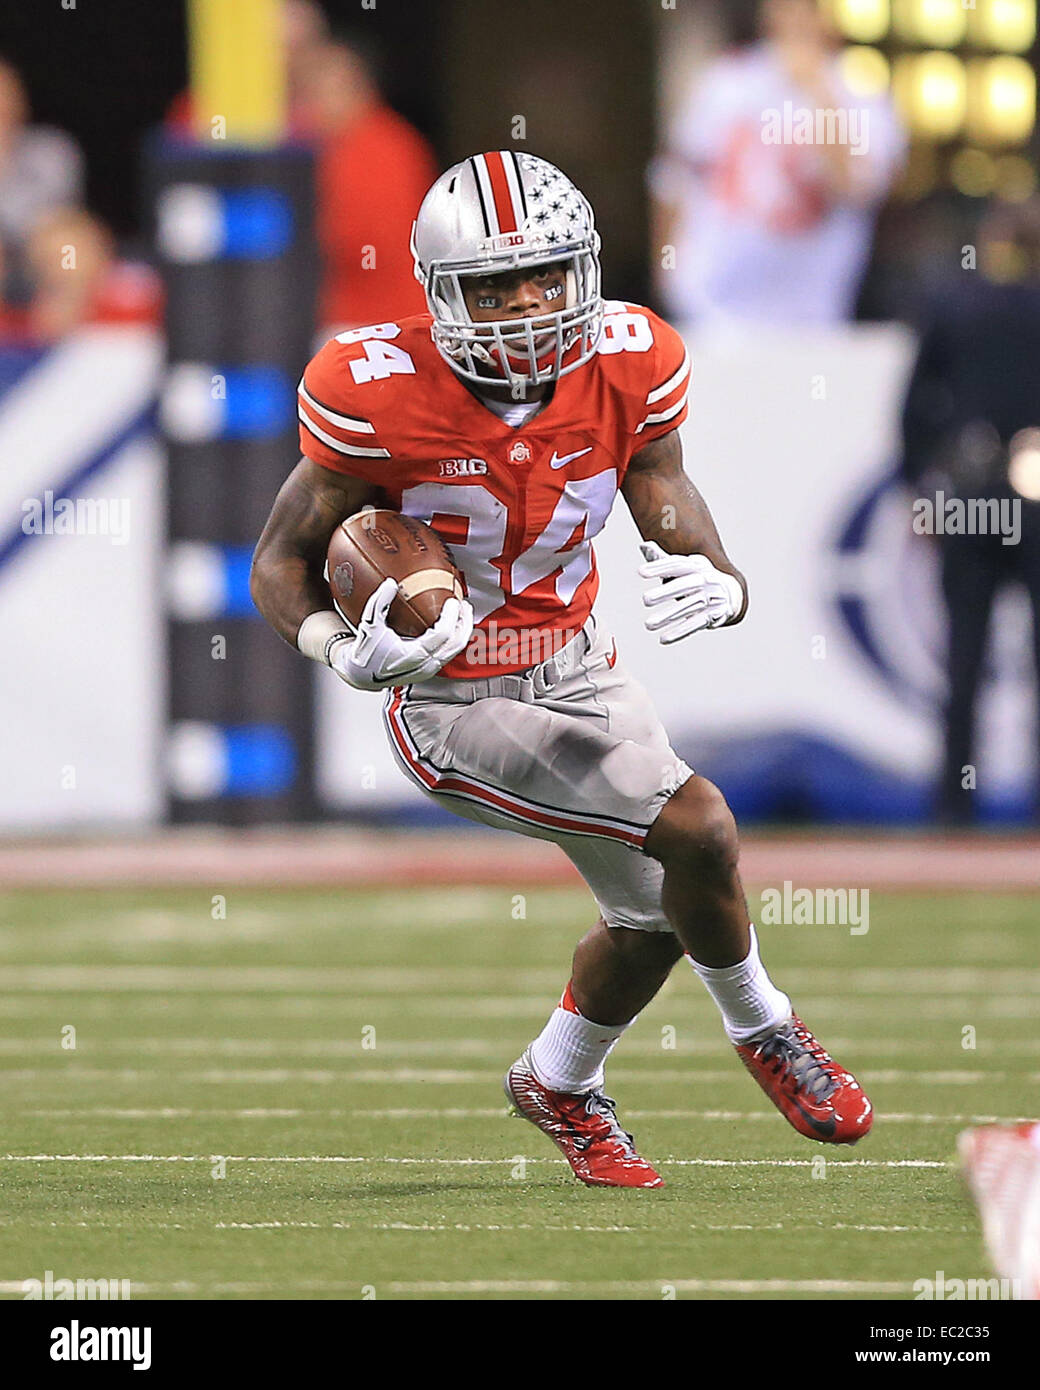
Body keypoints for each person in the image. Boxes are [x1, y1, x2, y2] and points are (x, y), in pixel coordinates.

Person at [251, 151, 872, 1187]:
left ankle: (557, 1078)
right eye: (494, 286)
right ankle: (764, 1025)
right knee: (698, 826)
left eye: (546, 275)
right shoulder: (373, 390)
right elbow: (279, 556)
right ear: (440, 292)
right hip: (453, 699)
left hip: (578, 665)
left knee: (659, 910)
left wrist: (718, 574)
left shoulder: (629, 357)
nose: (528, 305)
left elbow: (656, 480)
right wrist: (338, 648)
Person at [900, 198, 1040, 824]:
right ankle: (958, 804)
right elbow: (915, 407)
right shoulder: (959, 305)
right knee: (966, 656)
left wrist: (918, 487)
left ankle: (954, 807)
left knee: (964, 656)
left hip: (975, 494)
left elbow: (914, 409)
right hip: (1002, 494)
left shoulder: (956, 304)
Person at [651, 0, 904, 327]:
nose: (795, 17)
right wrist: (667, 273)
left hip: (812, 312)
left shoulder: (862, 94)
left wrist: (817, 90)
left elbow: (857, 189)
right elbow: (672, 178)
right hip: (714, 310)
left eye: (808, 7)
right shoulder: (726, 82)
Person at [294, 37, 437, 332]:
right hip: (335, 318)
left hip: (385, 321)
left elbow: (359, 241)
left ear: (358, 87)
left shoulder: (388, 144)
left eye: (325, 89)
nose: (311, 104)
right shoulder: (315, 145)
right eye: (307, 91)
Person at [0, 58, 85, 305]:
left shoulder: (52, 149)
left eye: (6, 94)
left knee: (72, 246)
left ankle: (58, 334)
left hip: (41, 252)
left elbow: (61, 215)